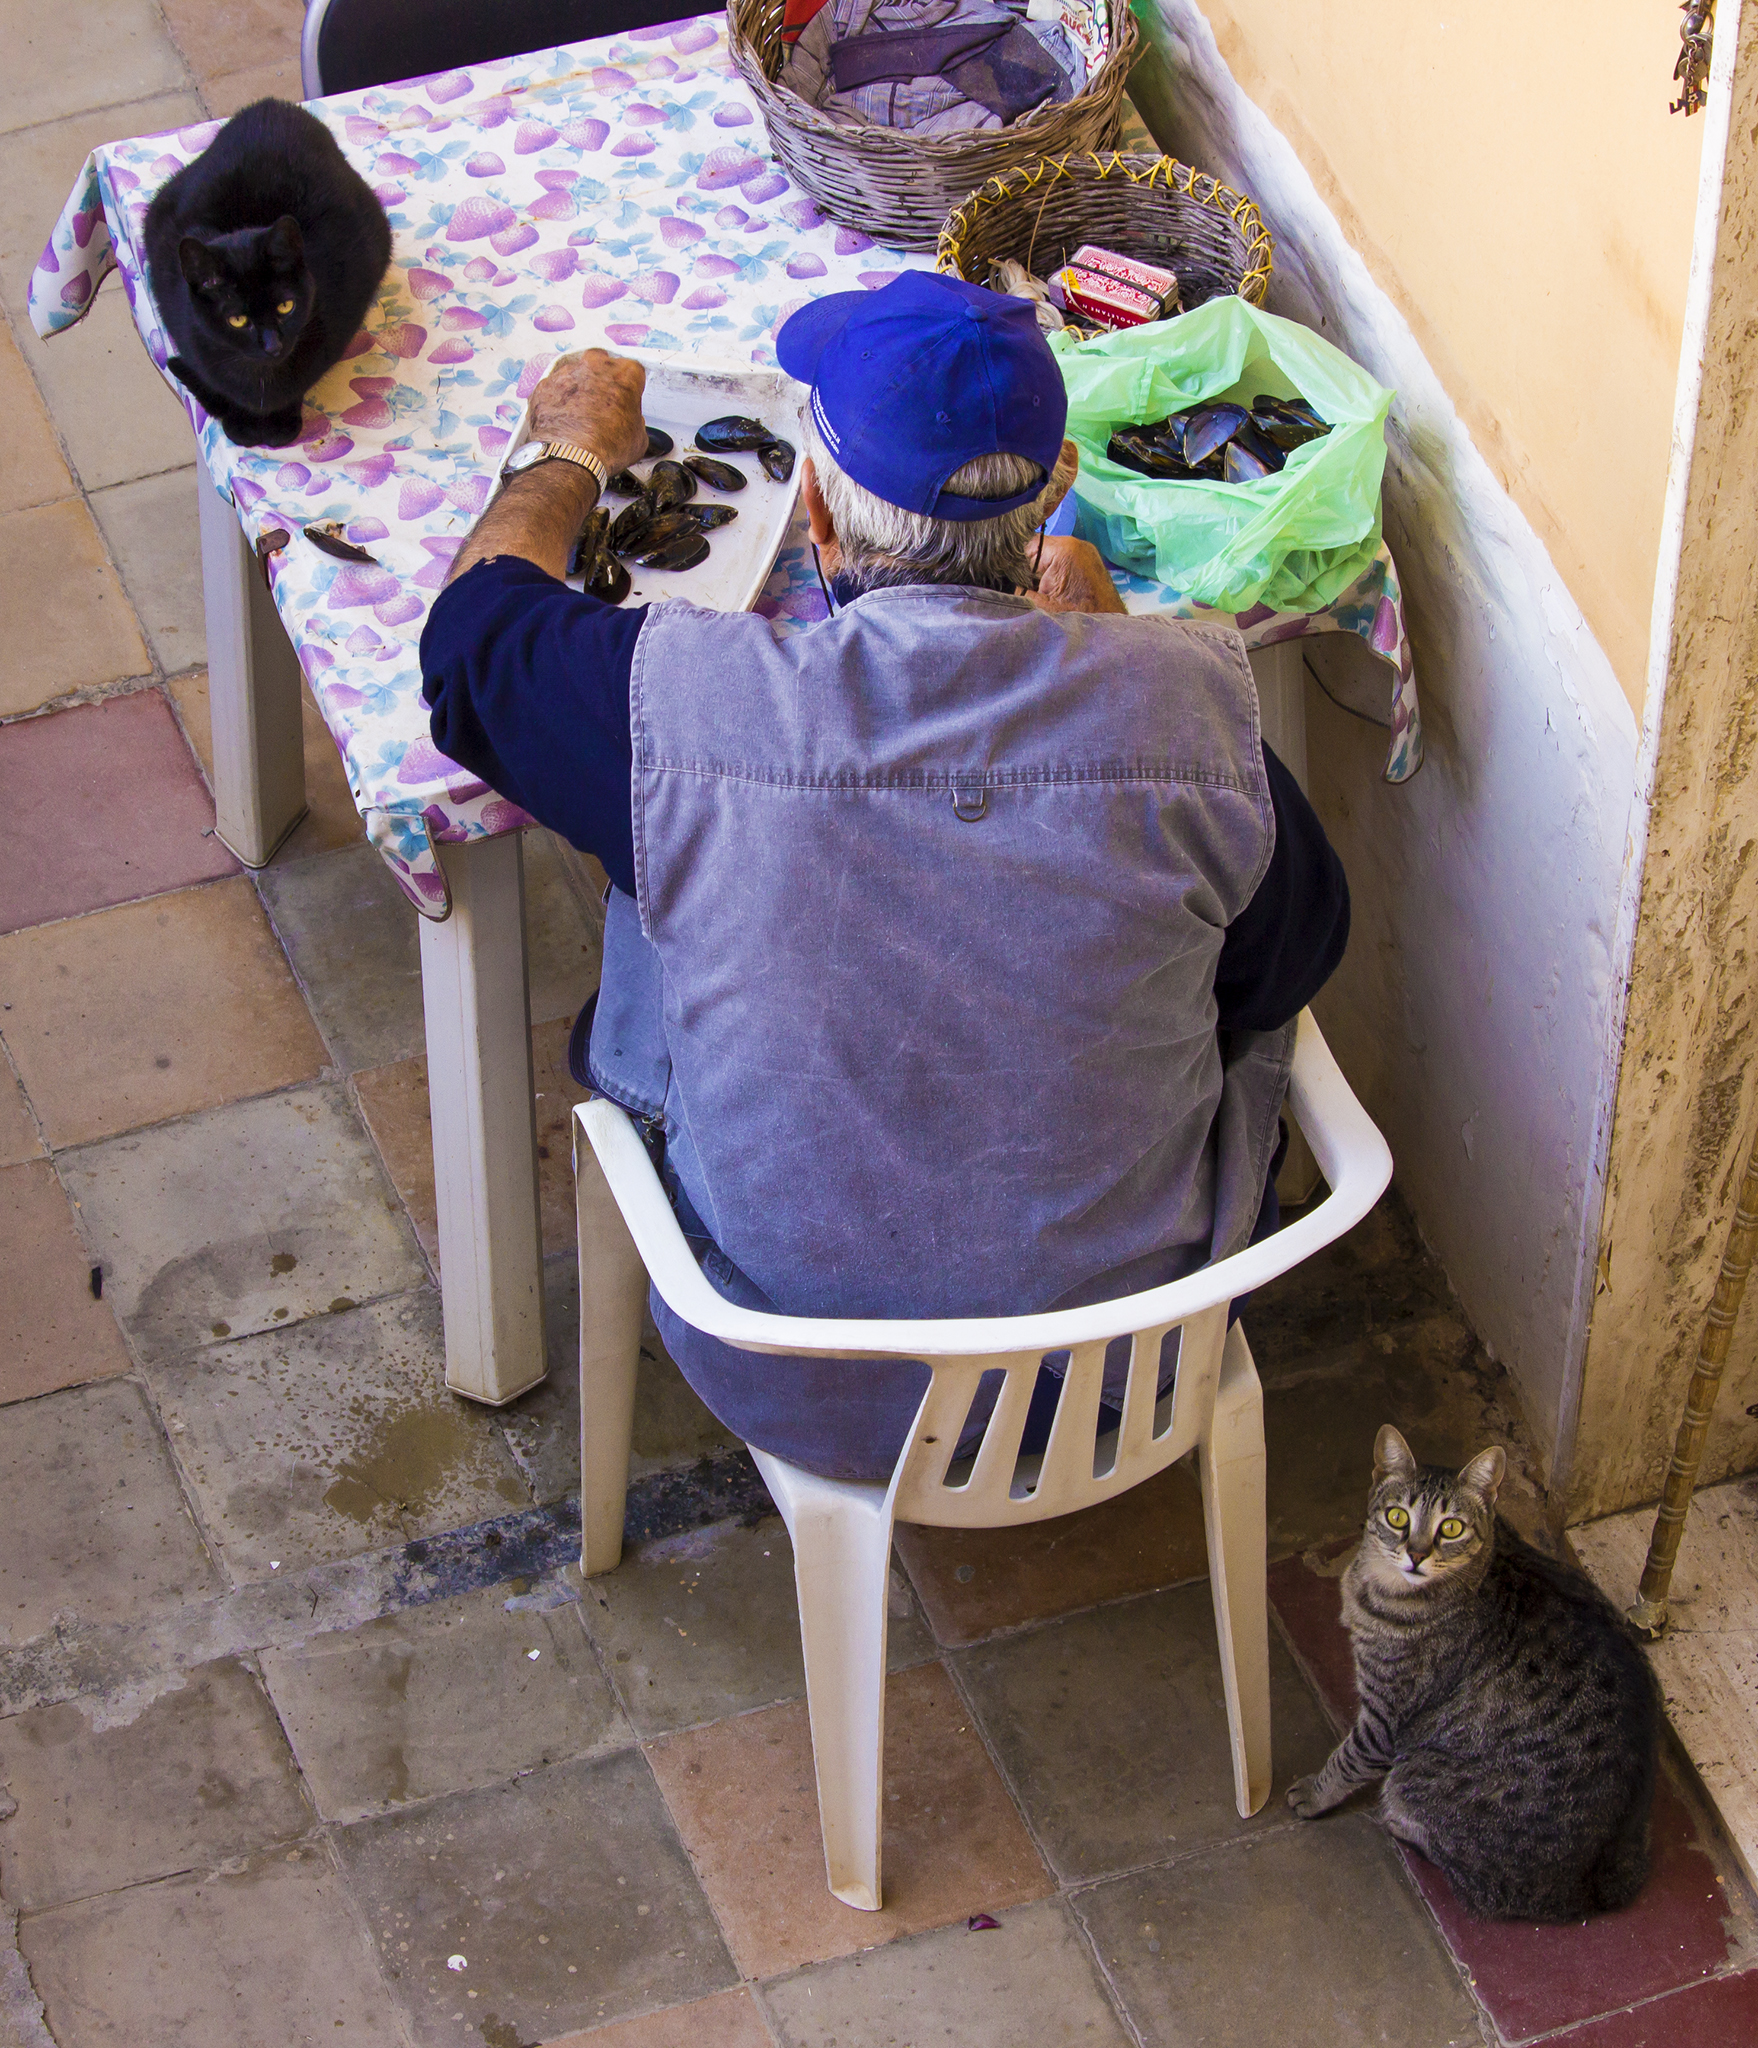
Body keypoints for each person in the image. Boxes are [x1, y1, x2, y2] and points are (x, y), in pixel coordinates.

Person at [421, 272, 1348, 1480]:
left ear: (813, 508)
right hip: (1126, 1362)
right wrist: (1121, 657)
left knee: (661, 873)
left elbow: (469, 642)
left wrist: (567, 452)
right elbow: (1287, 956)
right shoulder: (1190, 703)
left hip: (793, 1367)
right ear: (1055, 489)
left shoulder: (693, 702)